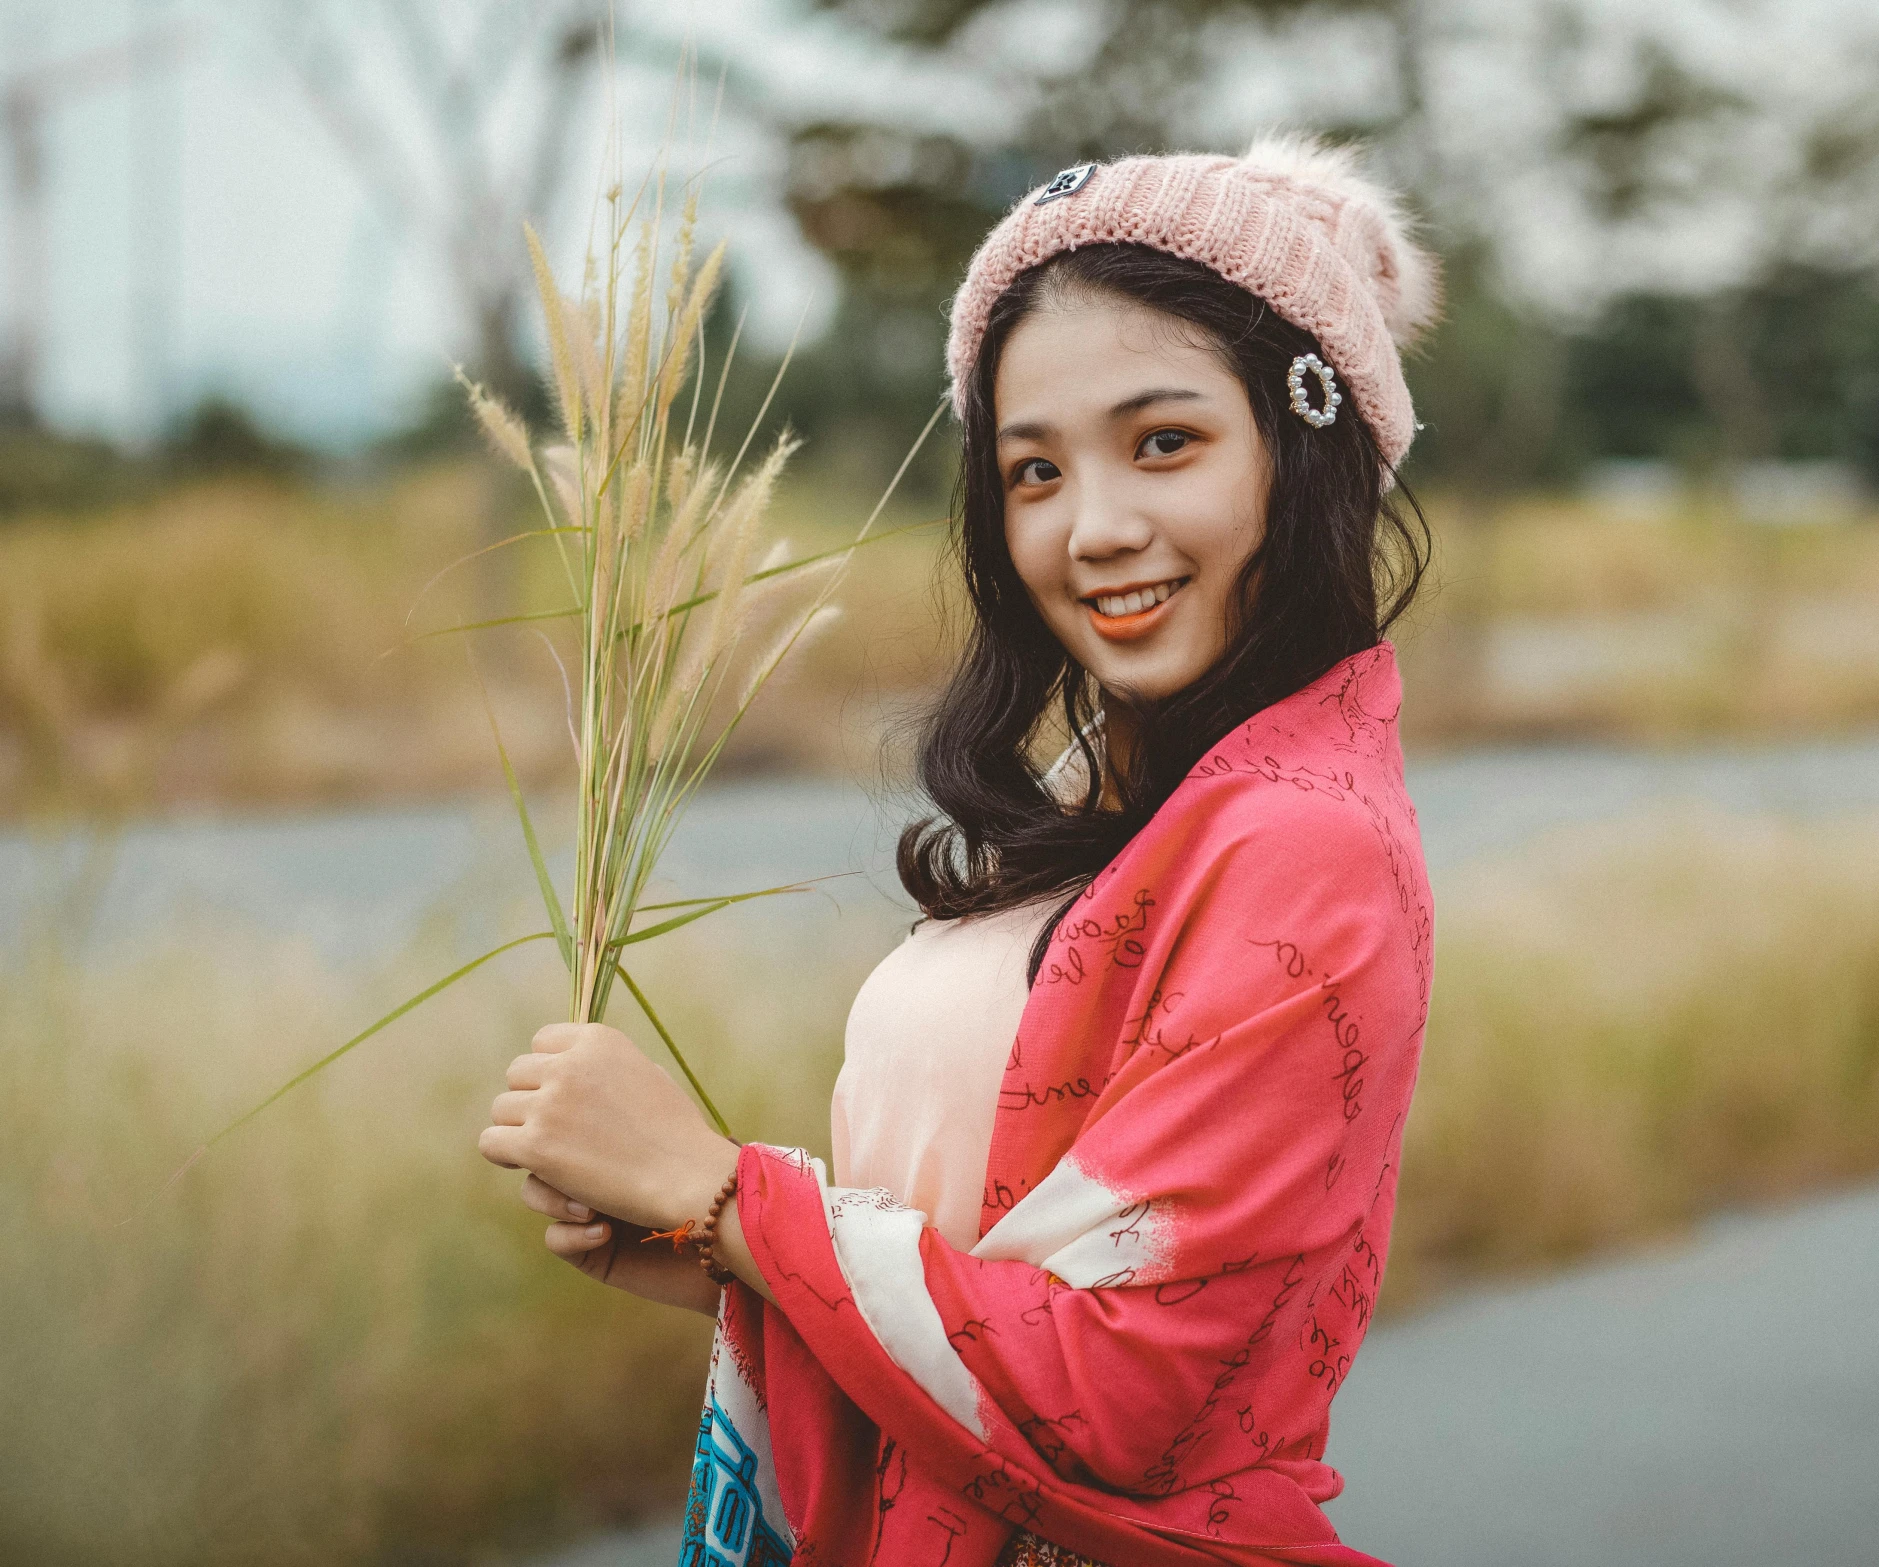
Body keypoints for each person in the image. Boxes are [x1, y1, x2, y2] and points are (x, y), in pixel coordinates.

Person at [478, 133, 1441, 1567]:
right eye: (1032, 470)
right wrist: (715, 1252)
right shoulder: (1118, 798)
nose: (1093, 529)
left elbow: (1111, 1397)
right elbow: (1002, 1261)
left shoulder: (1299, 841)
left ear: (1303, 445)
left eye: (1163, 441)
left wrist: (726, 1192)